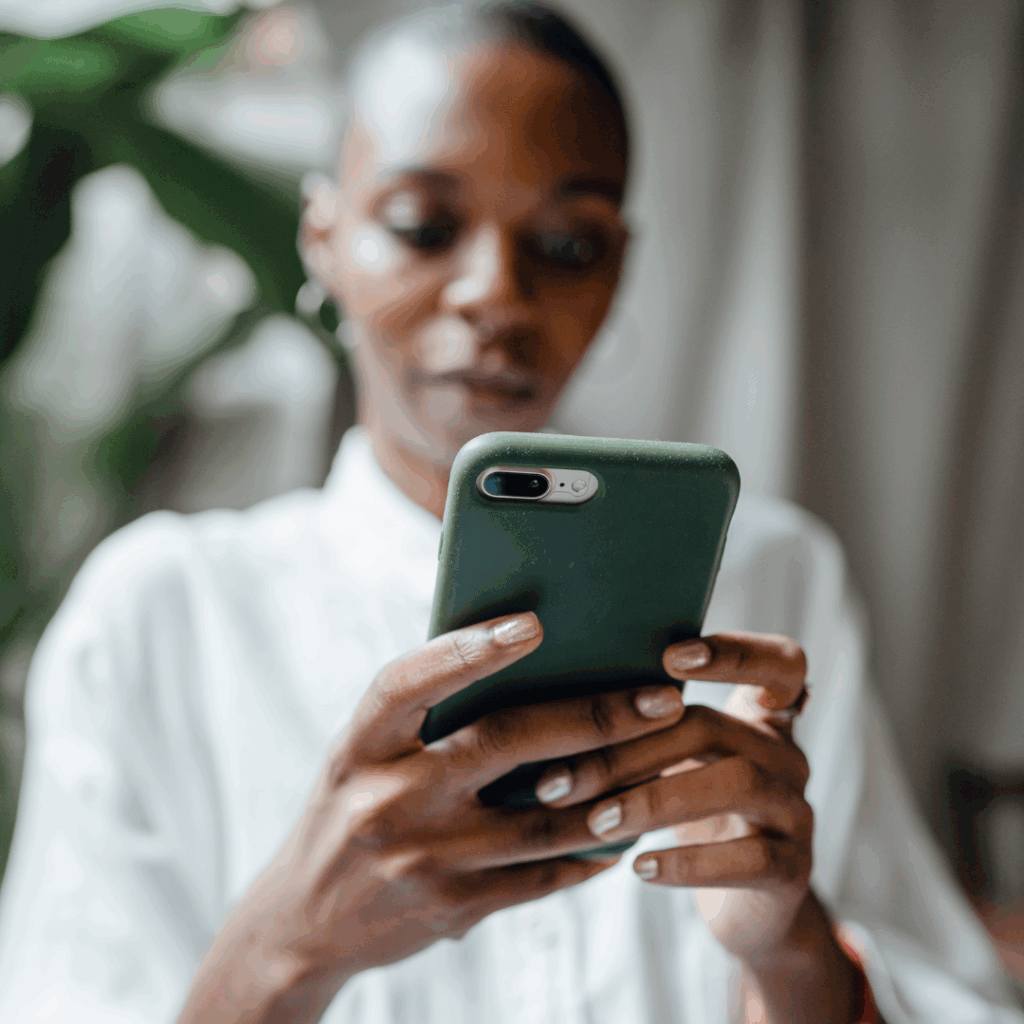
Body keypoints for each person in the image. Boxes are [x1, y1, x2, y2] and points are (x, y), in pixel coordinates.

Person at [0, 3, 1018, 1022]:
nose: (495, 291)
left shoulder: (773, 581)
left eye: (567, 243)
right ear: (324, 239)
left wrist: (788, 949)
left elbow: (943, 993)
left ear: (617, 269)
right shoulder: (160, 614)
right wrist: (287, 949)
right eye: (422, 225)